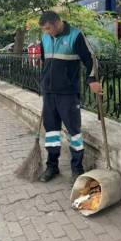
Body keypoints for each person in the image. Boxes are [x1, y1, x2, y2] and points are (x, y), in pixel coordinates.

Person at [37, 11, 102, 185]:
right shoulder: (44, 38)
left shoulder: (75, 35)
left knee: (74, 132)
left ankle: (77, 169)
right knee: (51, 132)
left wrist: (93, 80)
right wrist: (43, 83)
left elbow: (91, 60)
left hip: (68, 94)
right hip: (49, 93)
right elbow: (45, 61)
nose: (47, 32)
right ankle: (52, 166)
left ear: (58, 22)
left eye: (49, 28)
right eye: (44, 30)